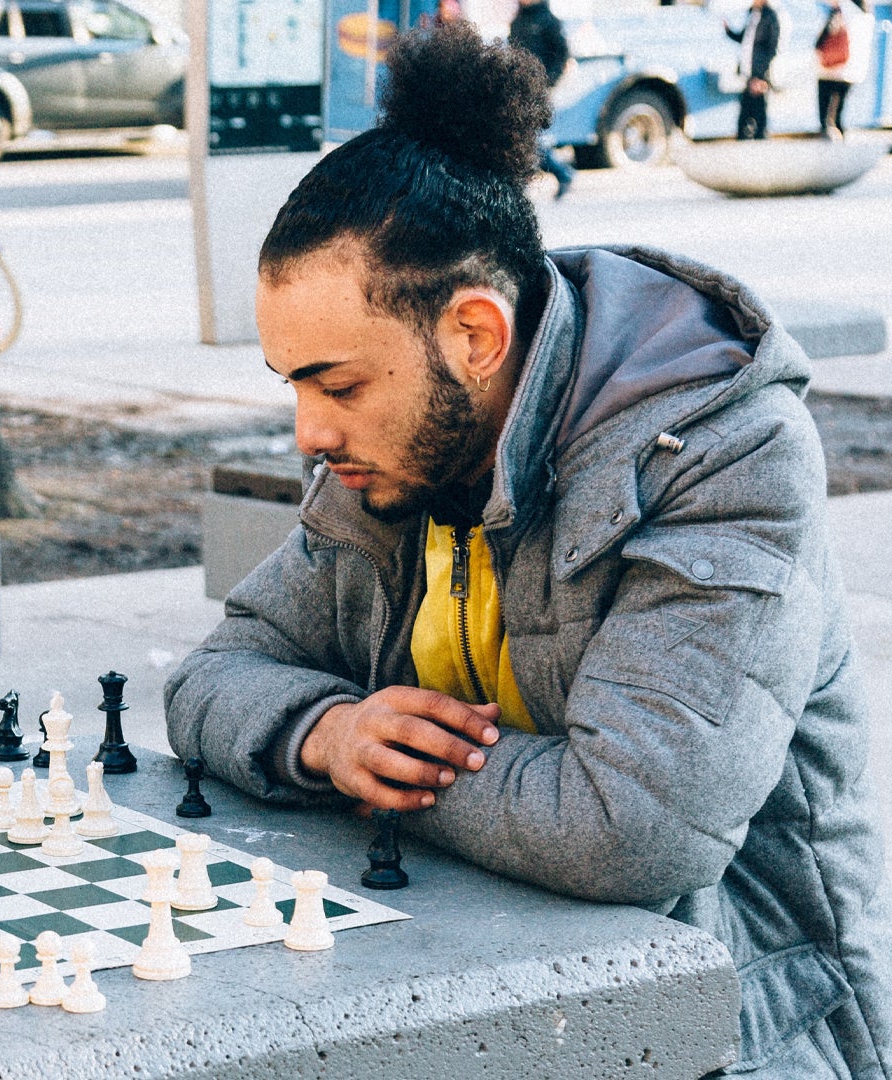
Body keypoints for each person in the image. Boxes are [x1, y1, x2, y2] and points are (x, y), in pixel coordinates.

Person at [166, 23, 889, 1078]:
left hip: (737, 1031)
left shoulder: (724, 455)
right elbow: (209, 679)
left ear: (475, 336)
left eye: (339, 385)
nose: (310, 434)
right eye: (295, 387)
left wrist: (392, 777)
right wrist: (329, 733)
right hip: (485, 991)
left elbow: (631, 830)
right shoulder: (398, 461)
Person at [507, 0, 574, 199]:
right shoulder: (518, 20)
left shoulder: (548, 20)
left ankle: (559, 173)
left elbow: (562, 54)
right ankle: (559, 173)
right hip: (519, 88)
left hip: (538, 89)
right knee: (522, 136)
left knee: (526, 137)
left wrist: (548, 80)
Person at [725, 0, 780, 140]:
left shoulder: (770, 16)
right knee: (747, 107)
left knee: (758, 108)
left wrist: (760, 75)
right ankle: (746, 136)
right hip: (748, 70)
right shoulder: (753, 15)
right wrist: (729, 31)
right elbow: (745, 40)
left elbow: (771, 48)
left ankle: (759, 136)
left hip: (758, 72)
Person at [816, 0, 871, 138]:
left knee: (827, 108)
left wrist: (818, 48)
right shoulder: (864, 13)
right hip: (852, 68)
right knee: (840, 107)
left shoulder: (843, 11)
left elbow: (830, 32)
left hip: (833, 67)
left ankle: (828, 133)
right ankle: (839, 132)